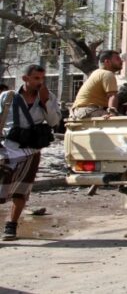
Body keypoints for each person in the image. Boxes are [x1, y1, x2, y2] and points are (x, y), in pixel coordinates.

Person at [0, 65, 61, 241]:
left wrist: (45, 102)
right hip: (7, 149)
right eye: (36, 78)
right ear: (25, 79)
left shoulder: (48, 97)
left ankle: (11, 226)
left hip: (31, 151)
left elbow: (54, 122)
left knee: (22, 189)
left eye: (42, 78)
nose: (40, 82)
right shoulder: (7, 97)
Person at [70, 50, 123, 119]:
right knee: (124, 122)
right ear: (107, 62)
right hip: (88, 110)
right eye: (117, 59)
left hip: (78, 111)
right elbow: (112, 96)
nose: (121, 61)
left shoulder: (97, 72)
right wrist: (112, 113)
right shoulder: (107, 74)